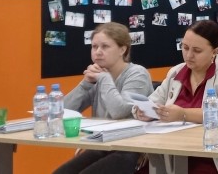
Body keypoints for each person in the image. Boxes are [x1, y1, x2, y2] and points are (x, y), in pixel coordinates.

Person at [134, 20, 218, 174]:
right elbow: (153, 101)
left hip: (214, 154)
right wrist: (143, 111)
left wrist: (183, 114)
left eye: (197, 50)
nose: (189, 55)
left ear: (214, 51)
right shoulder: (175, 72)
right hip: (170, 152)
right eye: (185, 47)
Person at [53, 23, 153, 174]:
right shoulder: (97, 76)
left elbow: (119, 112)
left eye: (105, 46)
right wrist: (85, 84)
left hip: (130, 148)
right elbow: (61, 112)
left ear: (122, 49)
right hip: (103, 144)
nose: (98, 52)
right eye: (94, 47)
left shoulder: (137, 74)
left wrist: (104, 78)